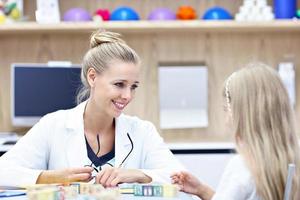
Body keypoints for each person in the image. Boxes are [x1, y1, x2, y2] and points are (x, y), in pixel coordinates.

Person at [0, 30, 184, 187]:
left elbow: (181, 178)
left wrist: (138, 174)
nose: (128, 96)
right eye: (119, 84)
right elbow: (3, 172)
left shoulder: (142, 131)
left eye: (133, 86)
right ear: (92, 77)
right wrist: (48, 177)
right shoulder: (53, 125)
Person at [171, 63, 300, 200]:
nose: (226, 121)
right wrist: (201, 190)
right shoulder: (294, 159)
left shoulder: (242, 167)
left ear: (242, 115)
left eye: (226, 109)